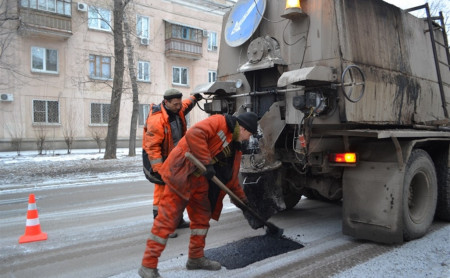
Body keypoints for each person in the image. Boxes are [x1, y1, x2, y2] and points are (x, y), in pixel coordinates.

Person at [138, 112, 259, 278]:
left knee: (202, 219)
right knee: (166, 220)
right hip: (182, 174)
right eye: (249, 134)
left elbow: (231, 182)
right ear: (243, 128)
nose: (248, 139)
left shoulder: (235, 150)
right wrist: (207, 162)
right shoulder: (219, 122)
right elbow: (195, 134)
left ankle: (195, 258)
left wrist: (245, 205)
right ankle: (148, 266)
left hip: (200, 182)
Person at [142, 88, 202, 237]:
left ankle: (177, 220)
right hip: (156, 160)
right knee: (162, 194)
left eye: (179, 103)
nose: (178, 106)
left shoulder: (177, 110)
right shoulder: (157, 119)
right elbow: (152, 147)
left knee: (178, 189)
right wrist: (159, 169)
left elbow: (186, 104)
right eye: (175, 104)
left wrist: (195, 98)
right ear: (166, 102)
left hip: (173, 158)